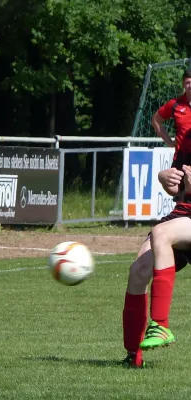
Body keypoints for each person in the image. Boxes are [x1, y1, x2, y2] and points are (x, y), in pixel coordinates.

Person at [122, 68, 191, 368]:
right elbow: (178, 180)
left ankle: (160, 324)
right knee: (138, 270)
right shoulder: (185, 136)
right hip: (184, 212)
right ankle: (132, 355)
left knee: (162, 233)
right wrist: (167, 178)